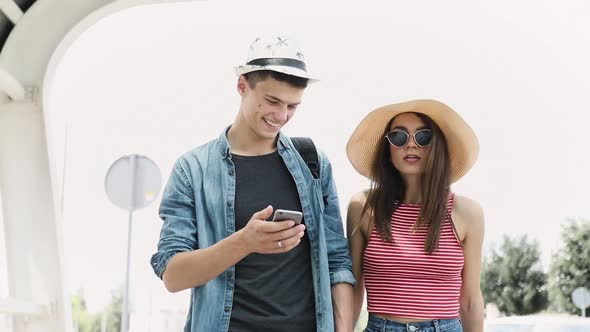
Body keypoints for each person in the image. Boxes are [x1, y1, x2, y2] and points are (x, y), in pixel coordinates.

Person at [150, 36, 355, 332]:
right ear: (242, 85)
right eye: (272, 101)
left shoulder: (313, 163)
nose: (281, 116)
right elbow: (173, 274)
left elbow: (336, 261)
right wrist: (244, 242)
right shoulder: (192, 170)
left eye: (292, 106)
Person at [346, 100, 484, 332]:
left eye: (423, 137)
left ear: (437, 146)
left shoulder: (468, 213)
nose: (411, 144)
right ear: (387, 148)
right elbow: (353, 289)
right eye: (399, 137)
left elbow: (470, 301)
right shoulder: (363, 206)